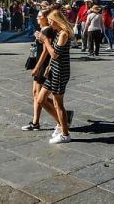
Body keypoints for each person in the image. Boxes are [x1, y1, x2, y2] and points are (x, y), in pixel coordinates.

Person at [35, 9, 74, 144]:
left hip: (60, 72)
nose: (50, 25)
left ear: (57, 21)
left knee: (58, 104)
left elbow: (55, 55)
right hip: (54, 71)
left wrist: (45, 40)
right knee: (41, 99)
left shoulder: (63, 34)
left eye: (52, 22)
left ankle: (65, 134)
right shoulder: (58, 33)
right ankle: (61, 124)